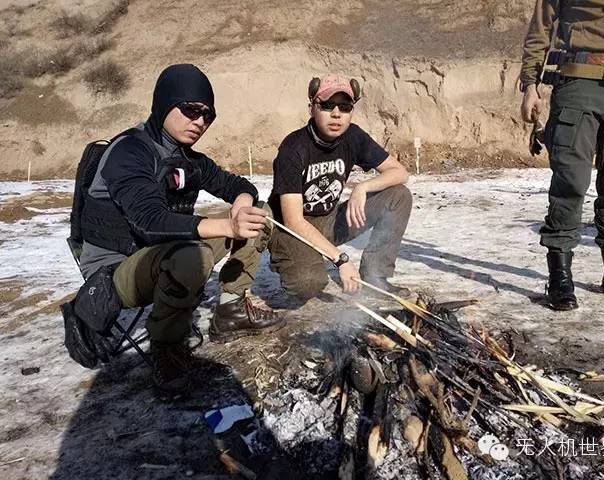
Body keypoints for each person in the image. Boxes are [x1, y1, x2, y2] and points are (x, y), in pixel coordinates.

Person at [65, 64, 283, 392]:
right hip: (114, 269)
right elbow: (150, 222)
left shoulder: (187, 158)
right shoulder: (129, 151)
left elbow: (236, 183)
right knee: (189, 257)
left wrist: (242, 200)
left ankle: (232, 309)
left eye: (208, 116)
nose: (199, 122)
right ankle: (167, 350)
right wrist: (228, 225)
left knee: (259, 214)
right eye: (191, 110)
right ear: (165, 104)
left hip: (161, 254)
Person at [520, 0, 604, 310]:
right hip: (580, 82)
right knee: (571, 180)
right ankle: (560, 276)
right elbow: (541, 27)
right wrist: (530, 85)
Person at [267, 74, 412, 302]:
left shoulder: (353, 136)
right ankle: (294, 261)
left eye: (344, 107)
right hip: (292, 230)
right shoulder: (293, 147)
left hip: (331, 219)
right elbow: (293, 220)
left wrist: (362, 188)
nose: (336, 114)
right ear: (312, 108)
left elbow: (400, 173)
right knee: (308, 284)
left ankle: (376, 277)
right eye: (327, 105)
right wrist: (341, 260)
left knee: (398, 196)